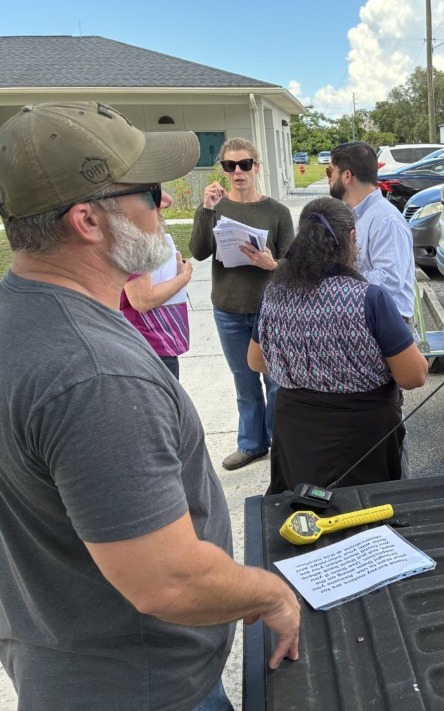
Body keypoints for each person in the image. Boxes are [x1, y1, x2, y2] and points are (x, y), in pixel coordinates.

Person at [0, 101, 299, 711]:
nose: (165, 207)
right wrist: (269, 595)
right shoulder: (95, 376)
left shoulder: (19, 316)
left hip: (59, 659)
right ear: (87, 219)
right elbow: (167, 578)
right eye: (152, 193)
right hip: (146, 689)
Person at [247, 197, 428, 494]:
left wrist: (306, 367)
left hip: (297, 432)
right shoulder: (369, 298)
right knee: (364, 521)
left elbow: (256, 361)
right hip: (363, 437)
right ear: (351, 238)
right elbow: (414, 376)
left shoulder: (274, 294)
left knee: (305, 514)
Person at [189, 138, 295, 471]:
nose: (237, 172)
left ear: (256, 167)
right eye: (229, 166)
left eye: (245, 164)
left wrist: (272, 265)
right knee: (244, 380)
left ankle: (281, 443)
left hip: (270, 310)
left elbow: (293, 262)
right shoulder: (215, 208)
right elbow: (198, 251)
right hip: (228, 308)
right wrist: (206, 210)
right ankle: (251, 444)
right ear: (223, 169)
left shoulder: (276, 211)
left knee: (276, 381)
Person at [327, 141, 416, 322]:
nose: (328, 178)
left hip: (386, 324)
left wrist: (337, 277)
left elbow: (389, 280)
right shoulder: (355, 213)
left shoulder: (386, 220)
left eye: (330, 171)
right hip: (368, 318)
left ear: (347, 176)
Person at [120, 229, 192, 379]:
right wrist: (182, 278)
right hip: (149, 342)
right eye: (156, 204)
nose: (168, 204)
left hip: (154, 339)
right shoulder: (134, 239)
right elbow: (142, 300)